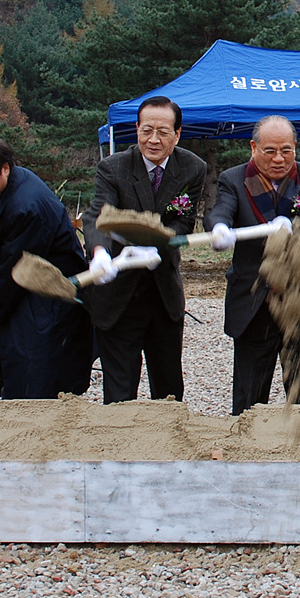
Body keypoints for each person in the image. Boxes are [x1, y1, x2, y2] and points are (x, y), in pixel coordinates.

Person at [80, 97, 207, 403]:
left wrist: (157, 245)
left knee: (168, 388)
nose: (153, 139)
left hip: (163, 292)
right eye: (146, 129)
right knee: (120, 390)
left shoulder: (192, 168)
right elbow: (98, 215)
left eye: (163, 132)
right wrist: (100, 253)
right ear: (136, 128)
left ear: (177, 134)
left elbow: (183, 223)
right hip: (118, 294)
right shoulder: (113, 167)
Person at [209, 115, 300, 416]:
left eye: (286, 150)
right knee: (249, 398)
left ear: (295, 148)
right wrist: (220, 230)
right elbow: (221, 212)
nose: (279, 158)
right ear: (253, 147)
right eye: (270, 151)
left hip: (299, 300)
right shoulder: (233, 180)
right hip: (255, 301)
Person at [0, 132, 94, 399]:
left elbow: (16, 270)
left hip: (50, 298)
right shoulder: (11, 187)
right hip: (27, 296)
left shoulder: (26, 207)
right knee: (21, 371)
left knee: (37, 380)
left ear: (4, 169)